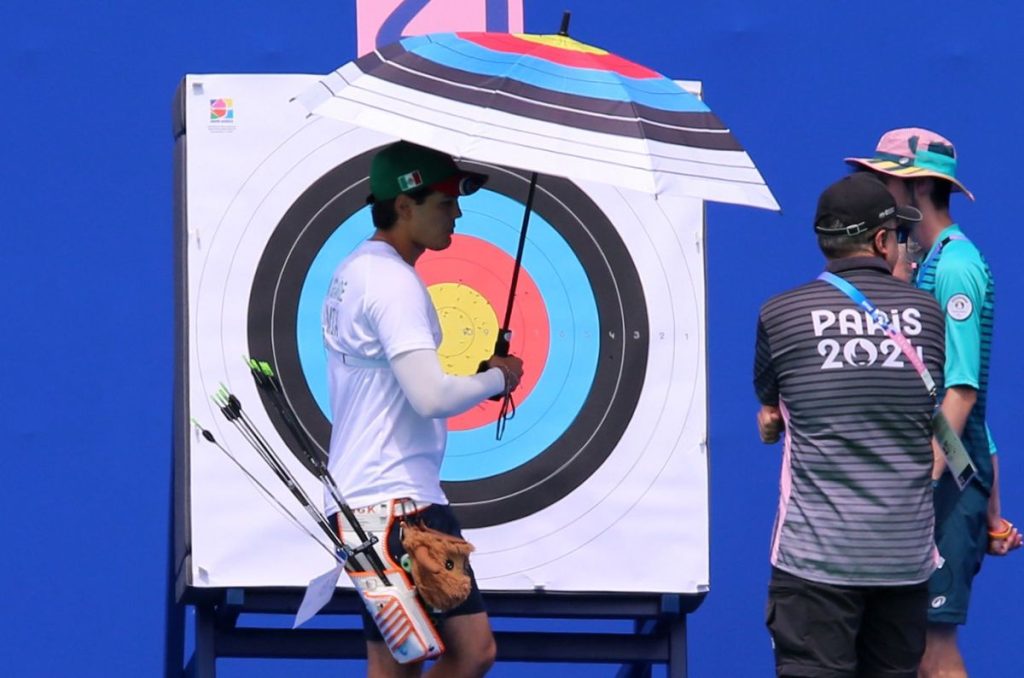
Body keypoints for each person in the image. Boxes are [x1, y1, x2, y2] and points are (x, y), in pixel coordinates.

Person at [321, 140, 524, 678]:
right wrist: (496, 378)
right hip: (400, 507)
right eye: (444, 201)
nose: (457, 211)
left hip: (365, 502)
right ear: (404, 205)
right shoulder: (391, 281)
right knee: (470, 651)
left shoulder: (357, 269)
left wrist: (483, 378)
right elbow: (430, 396)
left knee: (396, 663)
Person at [846, 128, 1022, 677]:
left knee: (932, 654)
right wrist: (993, 511)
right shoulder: (925, 262)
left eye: (885, 181)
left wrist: (922, 480)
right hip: (943, 482)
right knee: (901, 649)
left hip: (940, 489)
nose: (875, 193)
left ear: (918, 187)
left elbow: (963, 390)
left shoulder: (955, 267)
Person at [754, 172, 945, 677]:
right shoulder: (927, 314)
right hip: (903, 560)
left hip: (814, 562)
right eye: (898, 236)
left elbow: (771, 405)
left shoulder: (781, 314)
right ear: (882, 241)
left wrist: (773, 420)